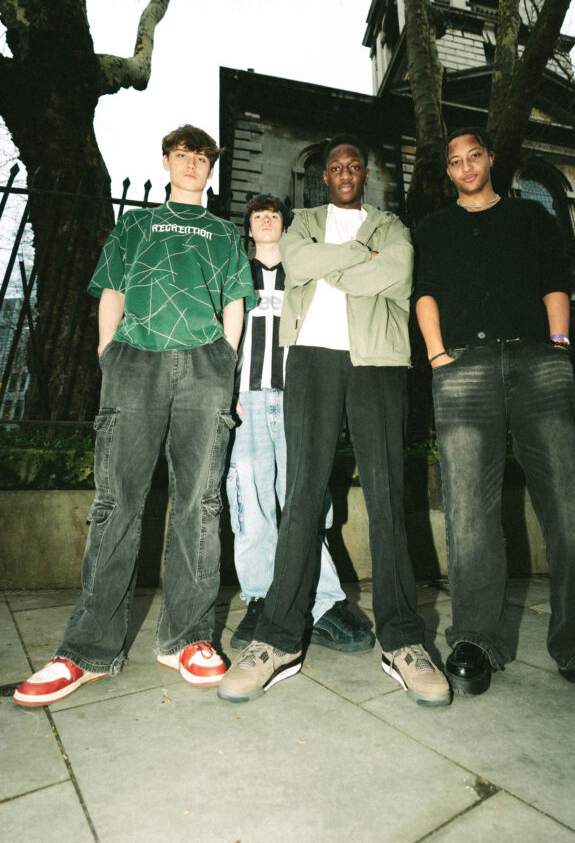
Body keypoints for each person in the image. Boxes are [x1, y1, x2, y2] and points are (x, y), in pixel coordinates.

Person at [14, 124, 257, 707]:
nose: (192, 164)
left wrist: (224, 364)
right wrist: (108, 352)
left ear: (211, 168)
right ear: (166, 162)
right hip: (136, 358)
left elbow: (234, 301)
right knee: (117, 500)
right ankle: (86, 650)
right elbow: (111, 289)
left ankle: (188, 638)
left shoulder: (224, 232)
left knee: (200, 501)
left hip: (204, 363)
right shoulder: (135, 225)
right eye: (182, 154)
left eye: (202, 157)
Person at [413, 126, 575, 720]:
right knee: (469, 506)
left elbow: (554, 282)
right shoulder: (433, 228)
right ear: (448, 171)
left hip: (539, 362)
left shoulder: (530, 218)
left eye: (475, 156)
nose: (466, 166)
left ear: (491, 158)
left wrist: (559, 345)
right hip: (463, 367)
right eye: (455, 161)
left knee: (570, 500)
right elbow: (425, 292)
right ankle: (475, 639)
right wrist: (437, 357)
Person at [217, 134, 451, 708]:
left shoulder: (392, 227)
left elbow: (397, 273)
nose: (345, 172)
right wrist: (357, 259)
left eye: (354, 165)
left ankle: (403, 641)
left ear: (365, 173)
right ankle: (278, 639)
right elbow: (299, 262)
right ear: (324, 176)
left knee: (387, 495)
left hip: (378, 363)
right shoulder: (302, 223)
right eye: (335, 167)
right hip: (311, 361)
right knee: (301, 495)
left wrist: (334, 265)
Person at [225, 193, 373, 653]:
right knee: (251, 501)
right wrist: (225, 391)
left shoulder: (303, 273)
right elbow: (221, 335)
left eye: (274, 215)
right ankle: (260, 598)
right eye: (258, 216)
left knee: (305, 501)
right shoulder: (234, 274)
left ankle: (323, 603)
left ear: (285, 227)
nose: (266, 221)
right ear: (249, 228)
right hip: (247, 402)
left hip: (298, 400)